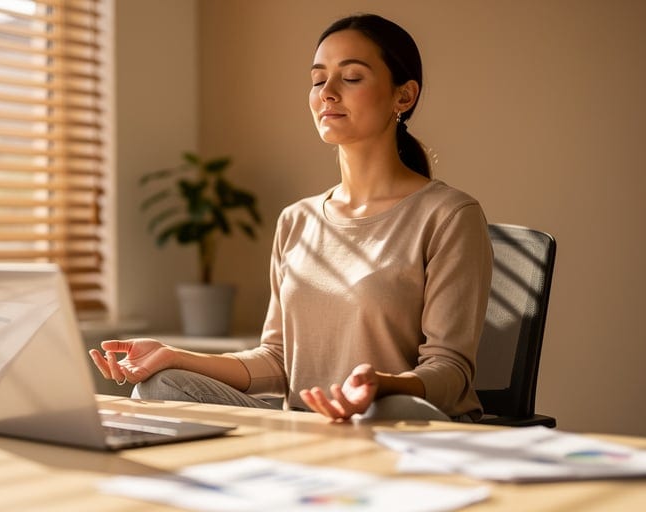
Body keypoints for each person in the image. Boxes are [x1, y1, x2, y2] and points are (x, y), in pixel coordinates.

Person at [90, 13, 493, 423]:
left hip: (399, 426)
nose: (328, 93)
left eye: (351, 77)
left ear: (403, 97)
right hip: (307, 430)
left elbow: (450, 372)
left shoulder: (448, 216)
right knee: (159, 385)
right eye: (319, 80)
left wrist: (384, 385)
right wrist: (173, 356)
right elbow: (277, 360)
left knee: (381, 412)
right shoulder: (296, 220)